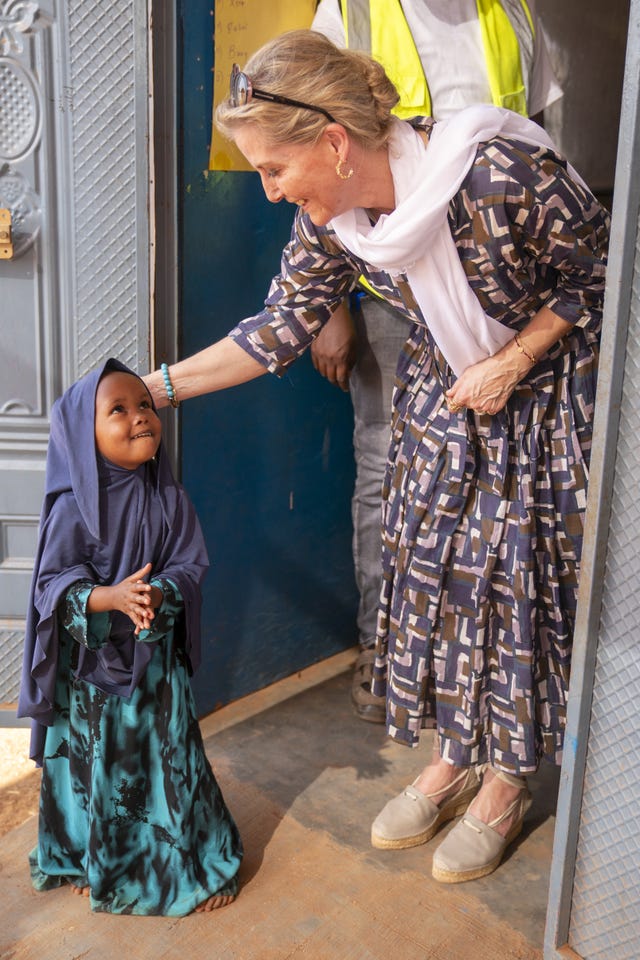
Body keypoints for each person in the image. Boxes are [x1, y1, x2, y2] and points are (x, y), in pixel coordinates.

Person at [143, 30, 609, 883]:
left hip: (538, 396)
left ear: (333, 141)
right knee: (436, 576)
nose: (274, 193)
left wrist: (516, 358)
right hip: (444, 393)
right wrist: (156, 387)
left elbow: (601, 267)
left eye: (273, 170)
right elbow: (276, 329)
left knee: (511, 586)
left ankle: (506, 782)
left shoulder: (495, 168)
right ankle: (456, 753)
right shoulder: (340, 225)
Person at [310, 0, 563, 724]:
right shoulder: (353, 14)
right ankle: (382, 648)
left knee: (509, 469)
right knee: (391, 461)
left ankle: (482, 660)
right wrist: (327, 305)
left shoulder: (511, 12)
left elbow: (542, 143)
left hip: (507, 295)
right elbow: (307, 161)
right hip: (395, 292)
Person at [17, 359, 242, 914]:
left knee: (168, 764)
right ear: (82, 434)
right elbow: (53, 585)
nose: (140, 416)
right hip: (91, 679)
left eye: (144, 405)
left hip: (155, 672)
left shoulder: (169, 499)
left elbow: (189, 565)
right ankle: (98, 858)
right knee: (97, 767)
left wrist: (159, 593)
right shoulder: (72, 508)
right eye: (118, 409)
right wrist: (109, 597)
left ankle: (189, 868)